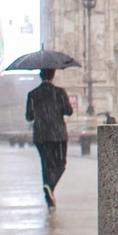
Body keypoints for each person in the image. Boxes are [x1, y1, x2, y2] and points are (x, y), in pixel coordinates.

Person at [26, 68, 74, 209]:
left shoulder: (33, 94)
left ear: (41, 76)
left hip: (41, 135)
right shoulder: (59, 92)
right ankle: (50, 186)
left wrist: (40, 112)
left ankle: (49, 195)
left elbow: (29, 117)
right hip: (58, 134)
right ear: (53, 75)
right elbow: (68, 111)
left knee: (46, 165)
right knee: (61, 163)